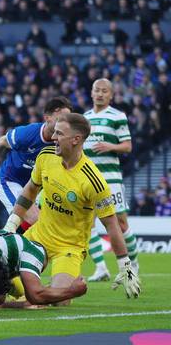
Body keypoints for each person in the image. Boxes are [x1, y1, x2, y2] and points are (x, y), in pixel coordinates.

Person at [4, 113, 141, 304]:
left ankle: (44, 293)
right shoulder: (45, 156)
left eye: (59, 134)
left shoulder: (93, 181)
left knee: (58, 299)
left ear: (76, 139)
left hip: (69, 248)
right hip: (38, 237)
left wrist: (125, 267)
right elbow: (29, 191)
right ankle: (20, 292)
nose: (53, 138)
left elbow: (112, 226)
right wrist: (11, 225)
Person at [0, 97, 73, 232]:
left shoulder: (63, 143)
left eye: (67, 120)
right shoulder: (27, 134)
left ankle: (12, 242)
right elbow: (2, 142)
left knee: (37, 222)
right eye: (60, 119)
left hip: (35, 187)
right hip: (9, 181)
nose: (64, 124)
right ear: (47, 118)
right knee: (33, 218)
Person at [83, 78, 139, 281]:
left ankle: (133, 265)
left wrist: (111, 147)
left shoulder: (117, 116)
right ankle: (101, 268)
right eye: (96, 90)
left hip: (110, 180)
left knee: (120, 224)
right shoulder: (84, 118)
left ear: (111, 95)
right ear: (91, 93)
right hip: (88, 180)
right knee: (87, 225)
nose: (99, 94)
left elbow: (127, 146)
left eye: (104, 91)